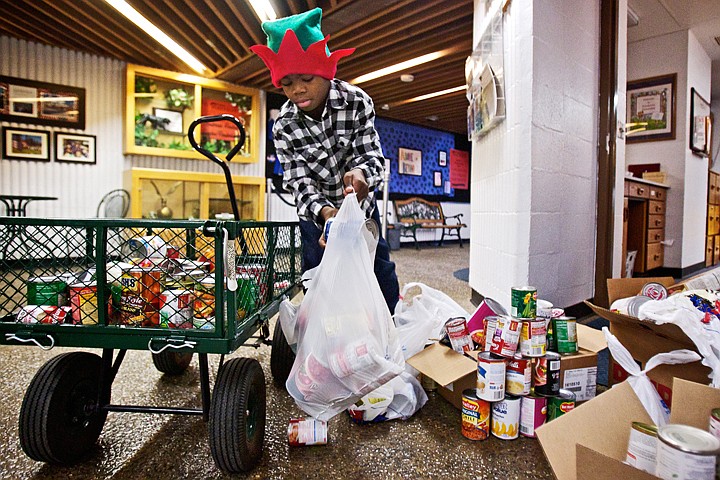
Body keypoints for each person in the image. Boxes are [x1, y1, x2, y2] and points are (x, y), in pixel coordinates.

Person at [251, 8, 400, 313]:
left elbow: (371, 155)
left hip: (361, 213)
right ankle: (327, 342)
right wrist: (327, 214)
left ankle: (387, 332)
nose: (298, 90)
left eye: (306, 78)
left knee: (379, 273)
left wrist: (360, 175)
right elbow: (298, 181)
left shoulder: (356, 101)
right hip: (317, 220)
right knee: (319, 282)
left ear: (324, 72)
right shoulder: (284, 126)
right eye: (287, 84)